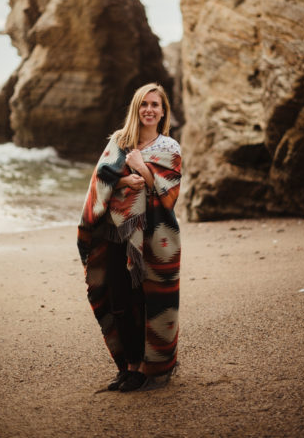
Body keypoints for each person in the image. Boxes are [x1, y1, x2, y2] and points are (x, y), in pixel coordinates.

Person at [77, 82, 182, 392]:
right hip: (115, 232)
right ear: (137, 108)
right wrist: (126, 178)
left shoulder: (170, 148)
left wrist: (143, 170)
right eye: (144, 104)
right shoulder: (120, 141)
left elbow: (168, 194)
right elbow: (101, 176)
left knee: (146, 301)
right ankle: (129, 366)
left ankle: (147, 368)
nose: (149, 109)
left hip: (154, 234)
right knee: (118, 298)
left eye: (155, 105)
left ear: (163, 112)